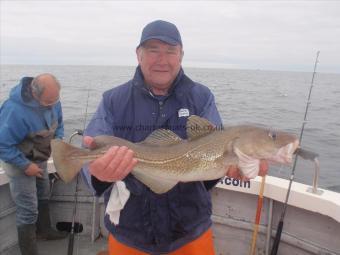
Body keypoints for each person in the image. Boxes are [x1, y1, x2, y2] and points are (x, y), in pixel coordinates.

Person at [82, 20, 268, 255]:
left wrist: (230, 167)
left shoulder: (201, 97)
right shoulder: (112, 100)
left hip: (190, 231)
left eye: (170, 51)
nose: (162, 59)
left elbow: (214, 154)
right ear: (138, 55)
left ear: (181, 56)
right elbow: (89, 152)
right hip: (130, 233)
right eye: (153, 50)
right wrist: (98, 174)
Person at [0, 73, 67, 255]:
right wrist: (25, 166)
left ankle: (45, 231)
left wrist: (58, 140)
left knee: (44, 193)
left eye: (55, 100)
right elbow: (3, 145)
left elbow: (59, 124)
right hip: (17, 162)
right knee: (28, 208)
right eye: (48, 102)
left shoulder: (53, 100)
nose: (53, 105)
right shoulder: (13, 110)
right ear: (34, 94)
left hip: (40, 157)